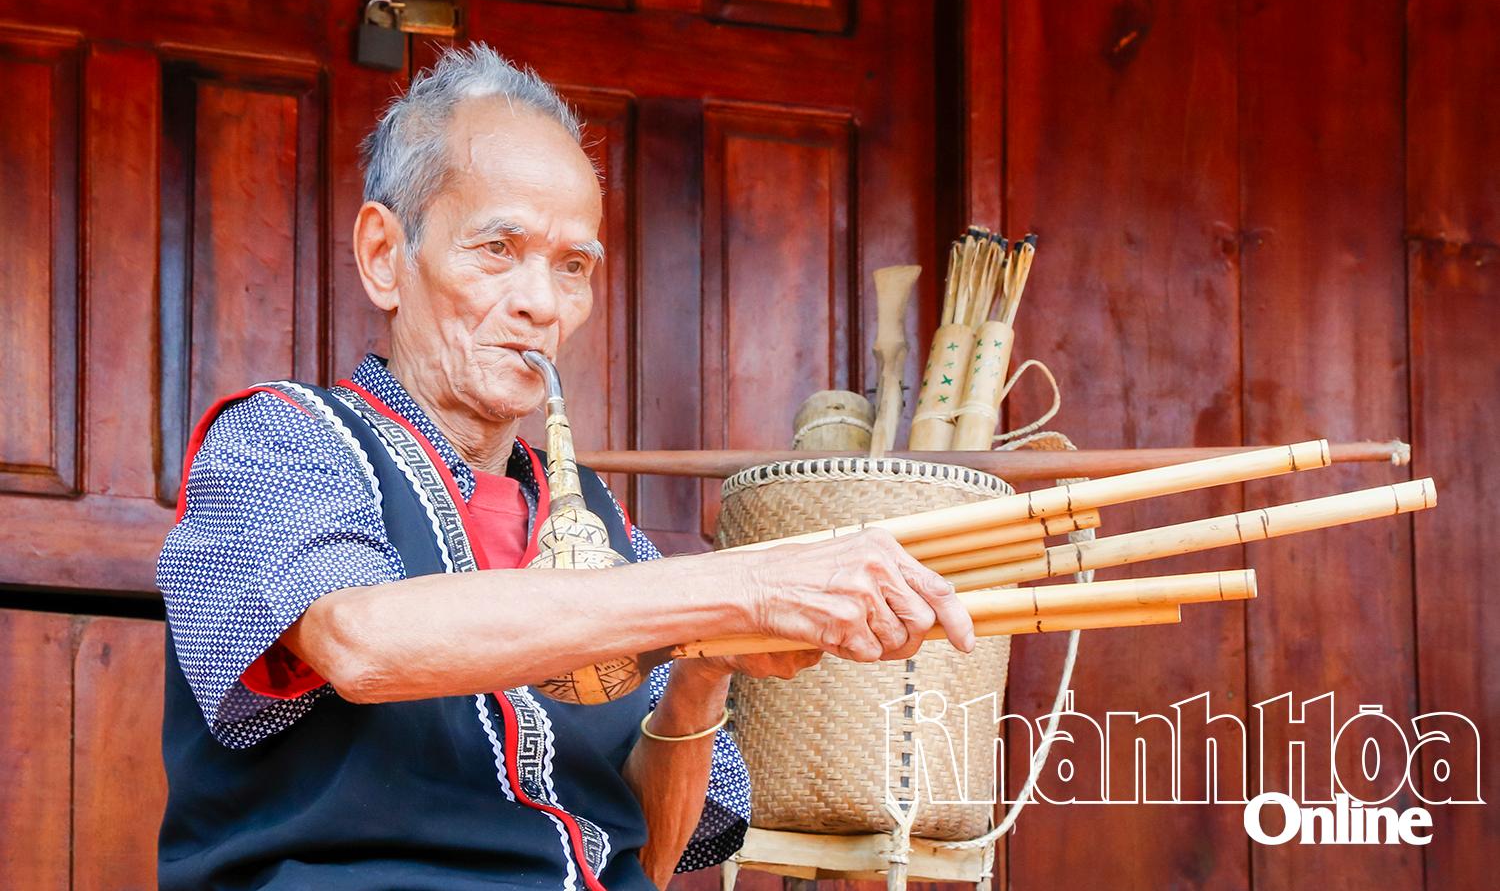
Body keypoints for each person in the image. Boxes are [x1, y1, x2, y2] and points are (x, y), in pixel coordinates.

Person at [156, 43, 975, 890]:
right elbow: (359, 643)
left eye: (573, 267)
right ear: (384, 255)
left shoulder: (601, 530)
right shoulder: (281, 441)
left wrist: (700, 669)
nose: (542, 304)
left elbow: (647, 858)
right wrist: (740, 586)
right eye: (497, 248)